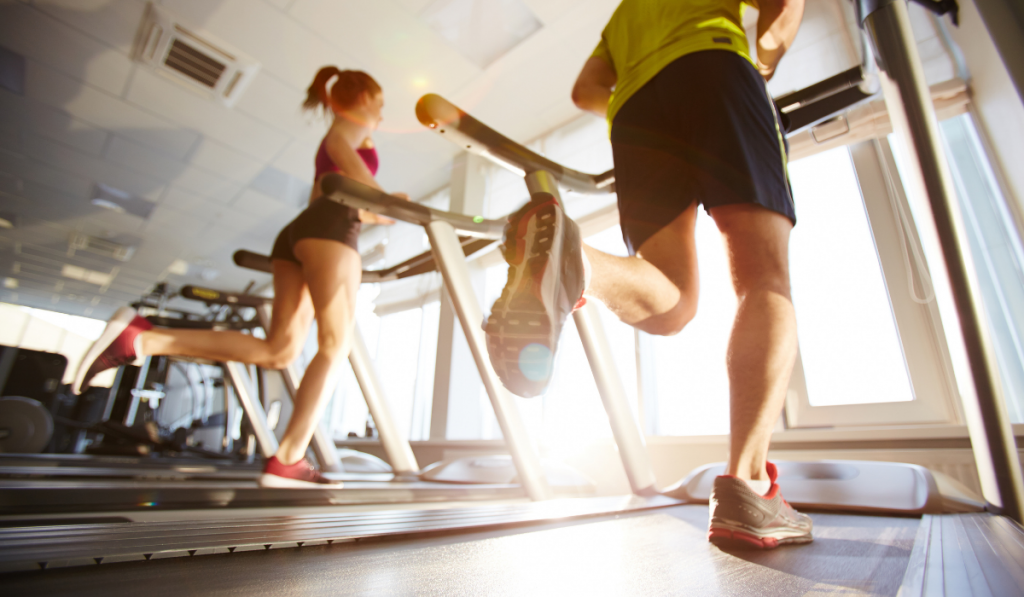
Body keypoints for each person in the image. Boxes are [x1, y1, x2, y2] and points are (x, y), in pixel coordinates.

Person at [485, 0, 811, 549]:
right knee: (764, 278)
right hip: (715, 68)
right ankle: (750, 488)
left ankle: (578, 262)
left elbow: (586, 92)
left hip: (634, 112)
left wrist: (647, 96)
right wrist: (763, 62)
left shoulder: (624, 16)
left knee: (672, 299)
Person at [73, 67, 406, 489]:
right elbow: (343, 152)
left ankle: (143, 338)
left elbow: (325, 194)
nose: (380, 110)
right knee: (334, 345)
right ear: (362, 100)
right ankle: (289, 459)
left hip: (303, 231)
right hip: (330, 232)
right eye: (377, 100)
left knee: (280, 351)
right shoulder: (352, 125)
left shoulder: (342, 133)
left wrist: (379, 209)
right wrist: (381, 197)